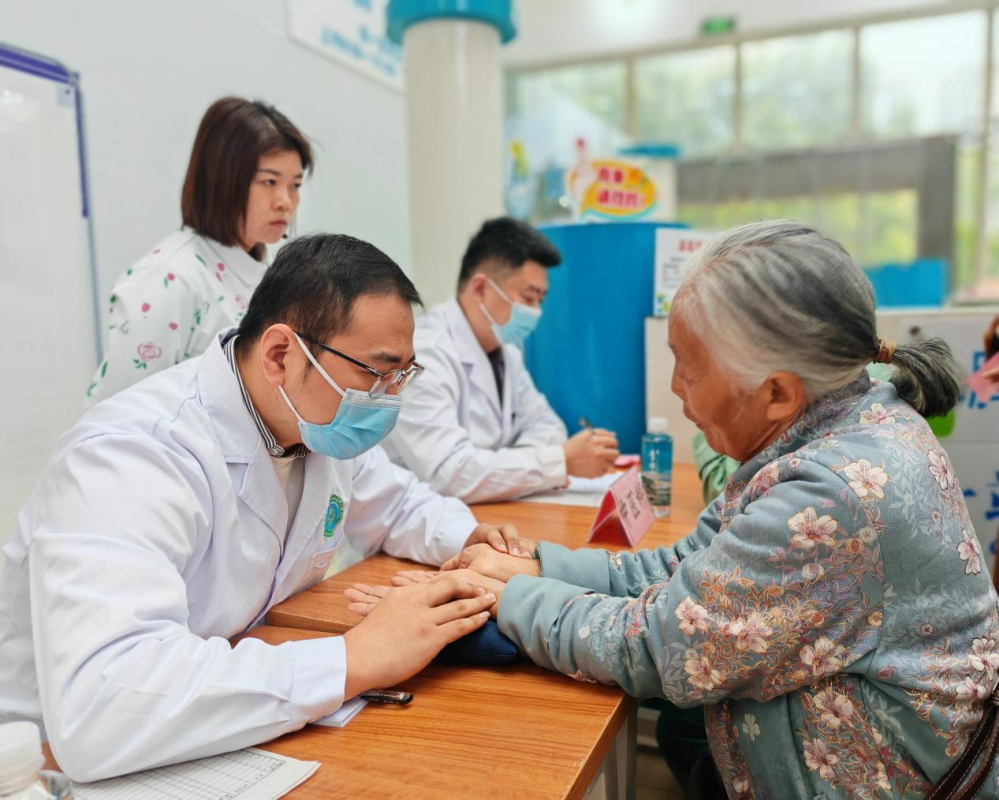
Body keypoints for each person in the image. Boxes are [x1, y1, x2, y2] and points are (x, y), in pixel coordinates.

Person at [353, 221, 999, 797]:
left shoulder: (829, 491)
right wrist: (534, 567)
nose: (673, 387)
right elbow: (689, 566)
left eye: (688, 366)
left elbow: (661, 645)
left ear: (776, 393)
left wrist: (509, 596)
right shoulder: (837, 422)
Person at [0, 233, 533, 782]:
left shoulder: (311, 424)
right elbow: (103, 708)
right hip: (50, 765)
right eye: (377, 374)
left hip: (222, 713)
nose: (389, 399)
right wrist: (353, 659)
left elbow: (399, 504)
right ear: (281, 355)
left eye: (402, 376)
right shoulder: (132, 455)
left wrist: (473, 542)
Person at [86, 96, 312, 402]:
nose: (285, 201)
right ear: (222, 181)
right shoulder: (167, 279)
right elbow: (115, 414)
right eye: (269, 182)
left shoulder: (270, 272)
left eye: (295, 185)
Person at [381, 217, 619, 503]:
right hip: (415, 517)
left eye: (541, 300)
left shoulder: (507, 351)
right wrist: (558, 461)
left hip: (487, 509)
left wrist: (503, 469)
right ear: (480, 288)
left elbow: (548, 427)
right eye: (528, 297)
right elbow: (449, 474)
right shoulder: (423, 354)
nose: (536, 311)